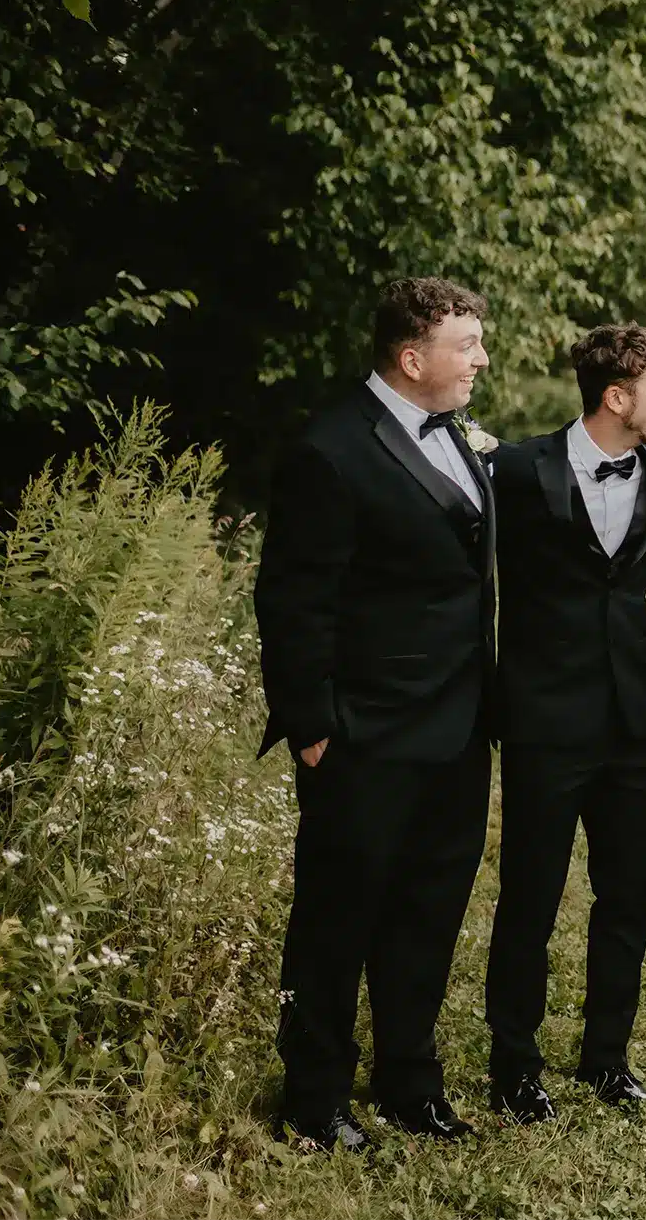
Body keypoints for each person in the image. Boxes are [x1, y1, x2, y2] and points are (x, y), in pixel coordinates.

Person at [255, 277, 497, 1151]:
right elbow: (292, 598)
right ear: (411, 357)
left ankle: (409, 1081)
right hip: (363, 730)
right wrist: (312, 725)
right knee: (336, 918)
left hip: (459, 724)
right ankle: (314, 1096)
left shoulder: (457, 434)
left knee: (429, 910)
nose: (481, 359)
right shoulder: (330, 450)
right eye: (467, 344)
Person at [482, 323, 646, 1122]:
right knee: (529, 896)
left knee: (626, 896)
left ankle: (607, 1057)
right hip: (544, 715)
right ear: (617, 395)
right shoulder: (516, 468)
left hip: (633, 720)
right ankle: (514, 1065)